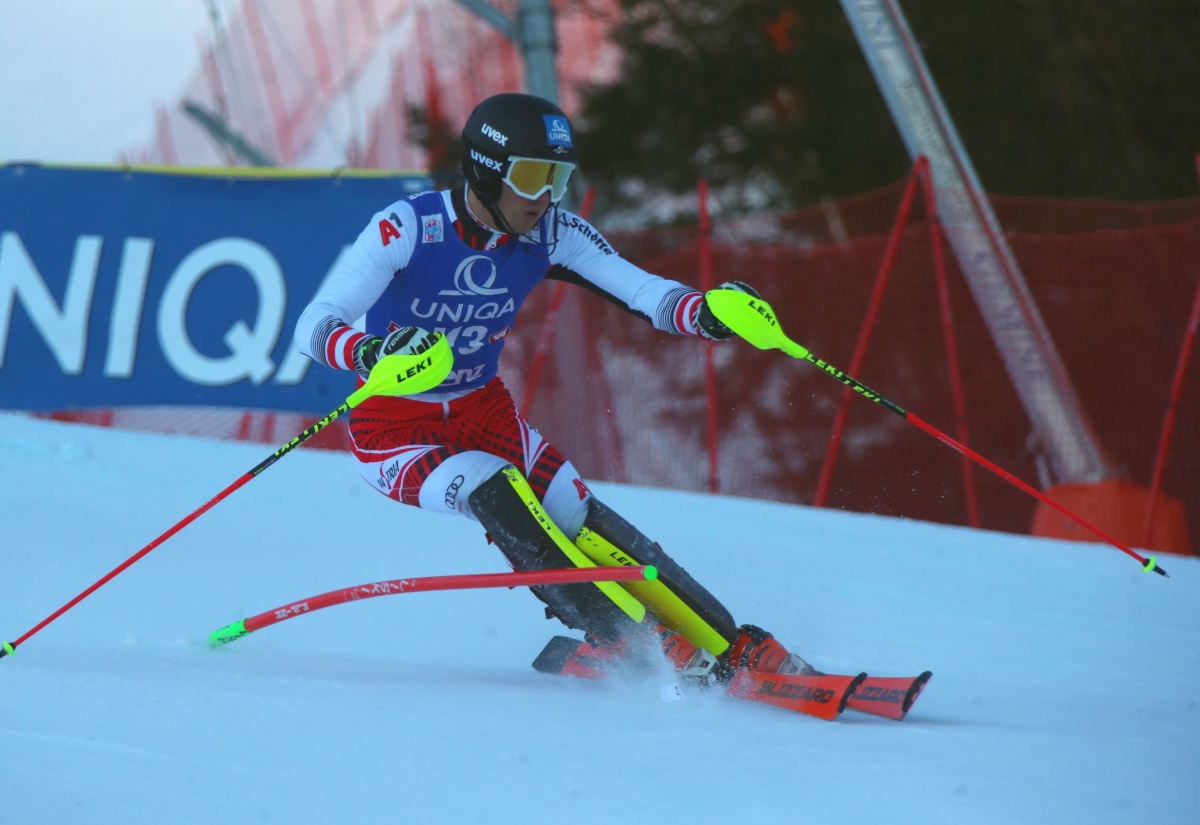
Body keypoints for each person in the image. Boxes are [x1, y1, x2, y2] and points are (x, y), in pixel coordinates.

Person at [295, 93, 807, 683]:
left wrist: (707, 314)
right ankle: (636, 643)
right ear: (487, 171)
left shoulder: (552, 233)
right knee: (493, 485)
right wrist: (365, 349)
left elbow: (643, 292)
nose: (546, 197)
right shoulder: (408, 227)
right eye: (533, 177)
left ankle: (729, 645)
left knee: (575, 511)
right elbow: (315, 322)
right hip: (395, 430)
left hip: (482, 413)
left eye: (557, 178)